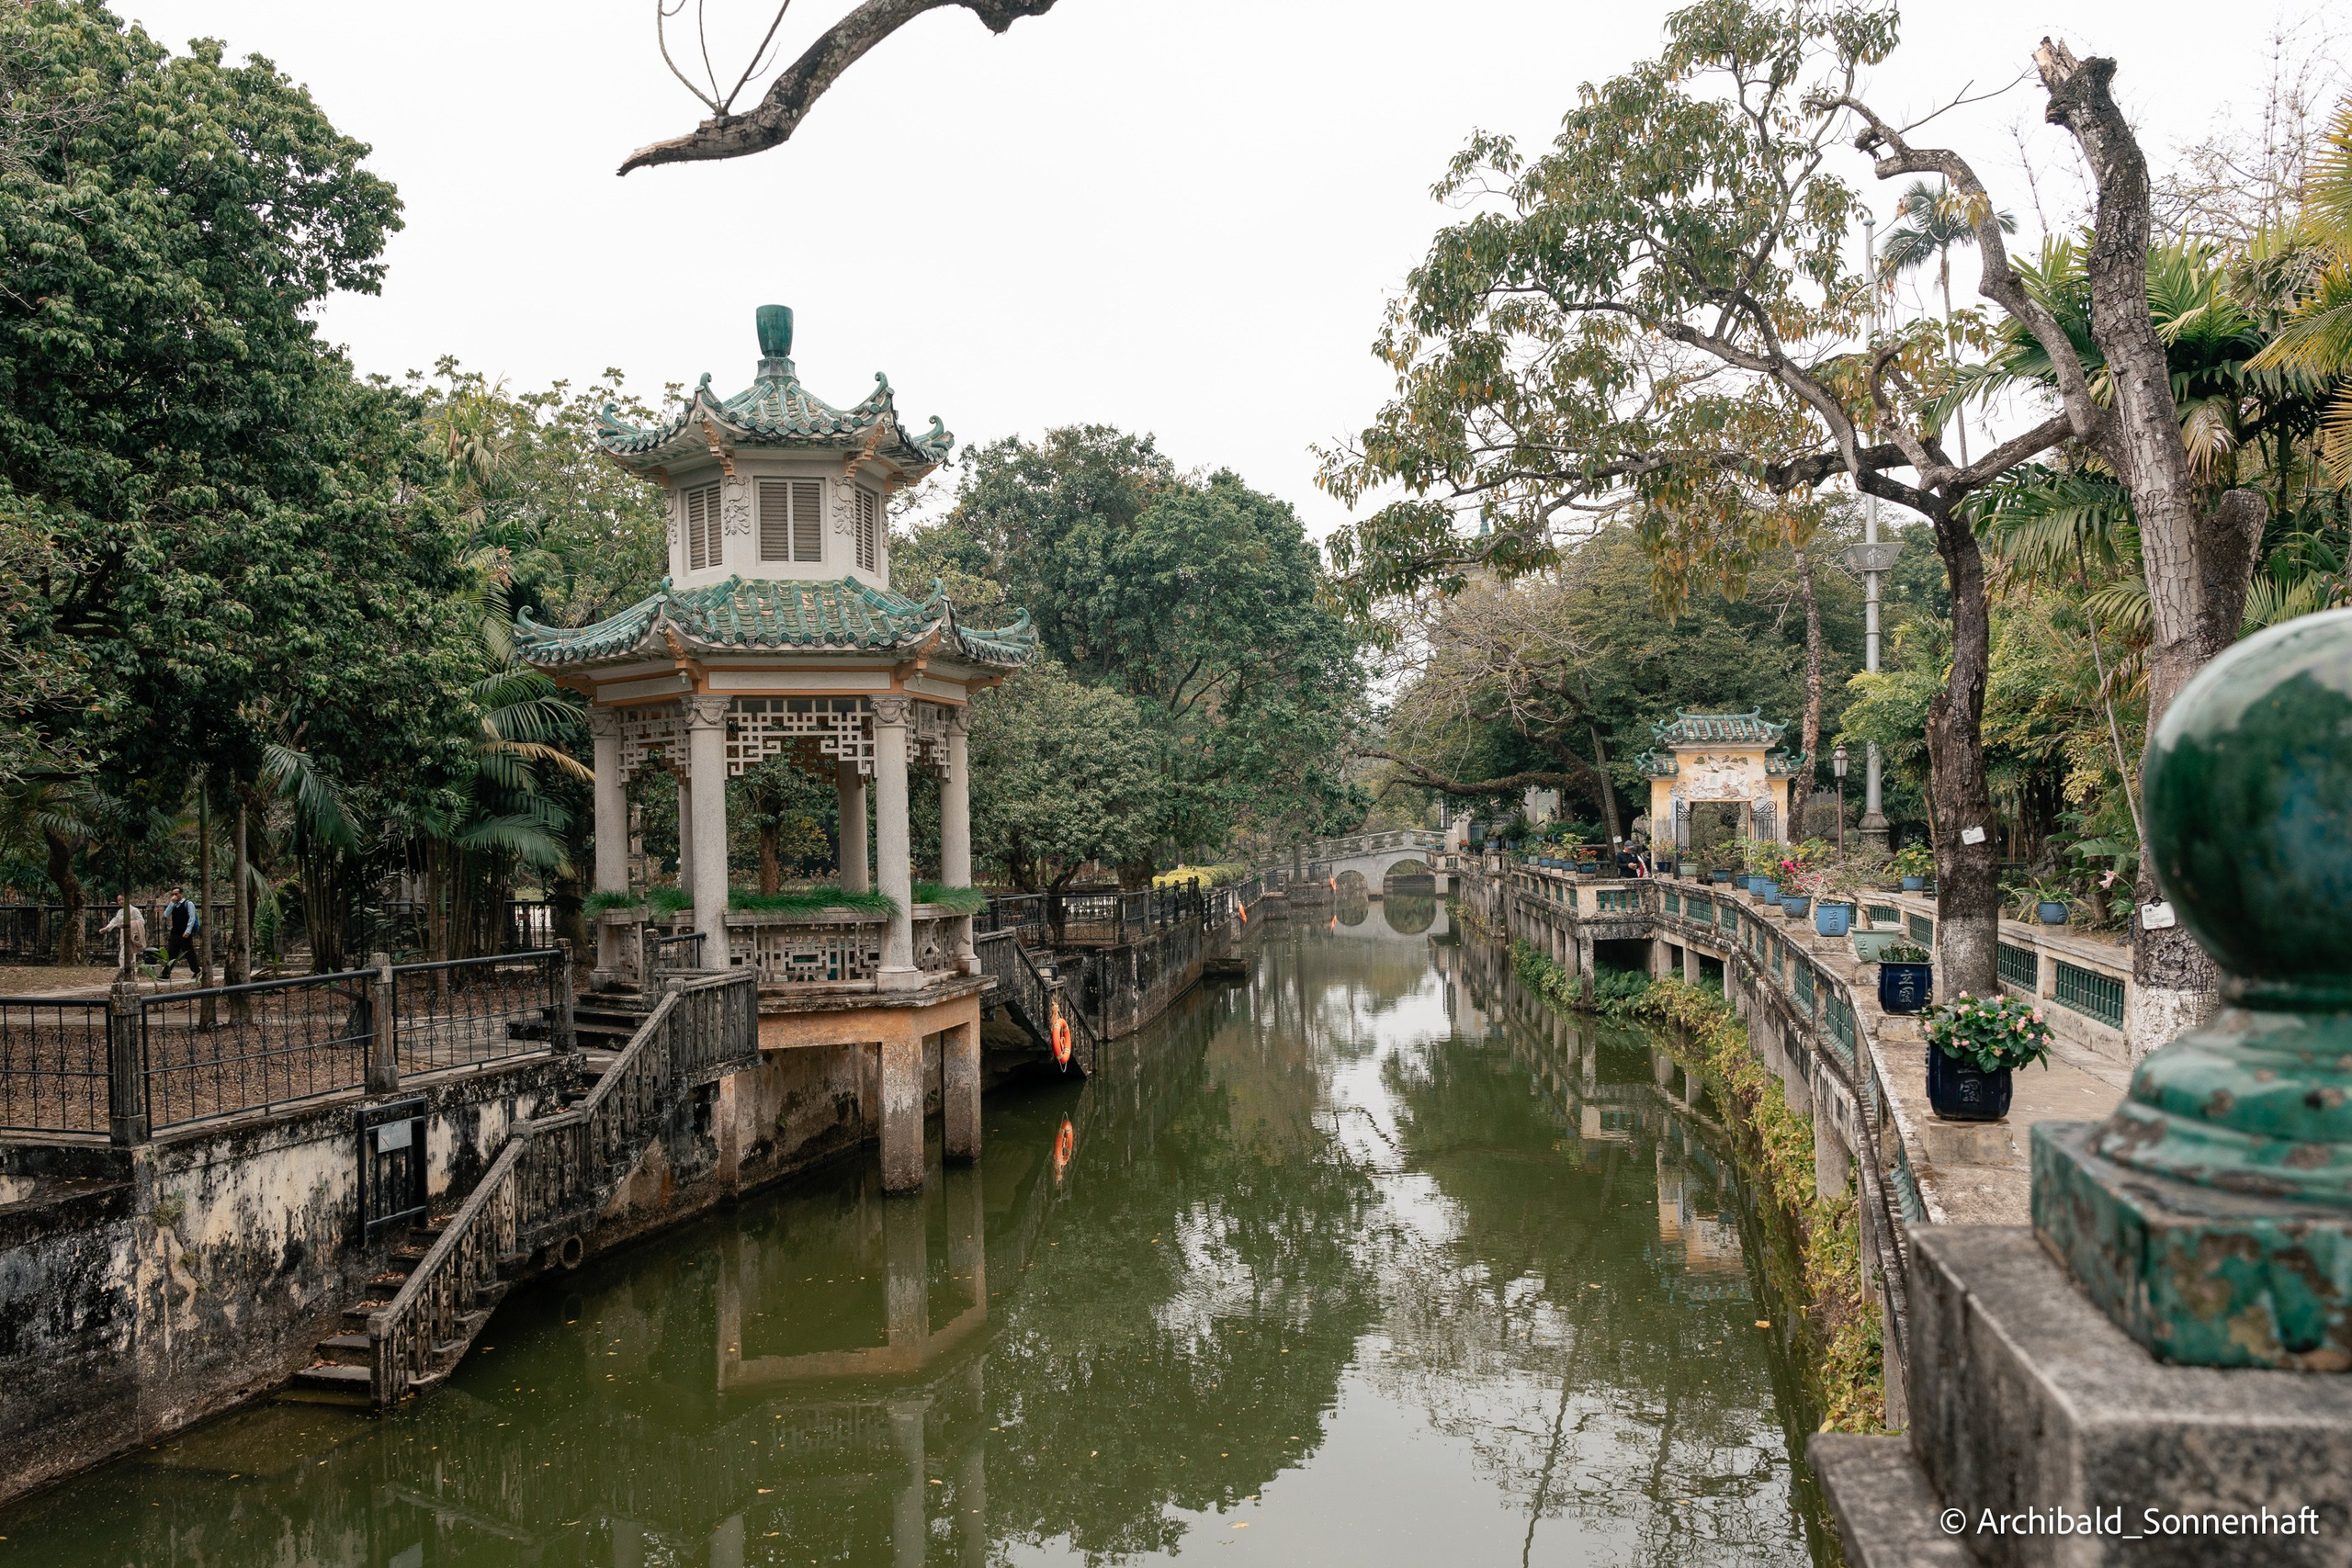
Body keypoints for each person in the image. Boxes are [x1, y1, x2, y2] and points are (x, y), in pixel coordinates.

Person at [99, 894, 147, 974]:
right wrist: (106, 928)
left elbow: (141, 921)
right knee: (123, 950)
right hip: (123, 933)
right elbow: (115, 921)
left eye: (122, 899)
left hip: (131, 932)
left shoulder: (134, 910)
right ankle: (123, 969)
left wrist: (130, 924)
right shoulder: (120, 912)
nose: (121, 902)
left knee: (130, 951)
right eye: (119, 900)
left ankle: (128, 969)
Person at [160, 886, 199, 979]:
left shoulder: (188, 904)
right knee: (171, 953)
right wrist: (171, 903)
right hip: (175, 932)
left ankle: (196, 971)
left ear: (181, 894)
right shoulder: (173, 905)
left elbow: (192, 918)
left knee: (189, 953)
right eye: (173, 894)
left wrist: (188, 931)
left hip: (184, 933)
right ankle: (166, 973)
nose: (175, 896)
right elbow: (166, 914)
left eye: (176, 894)